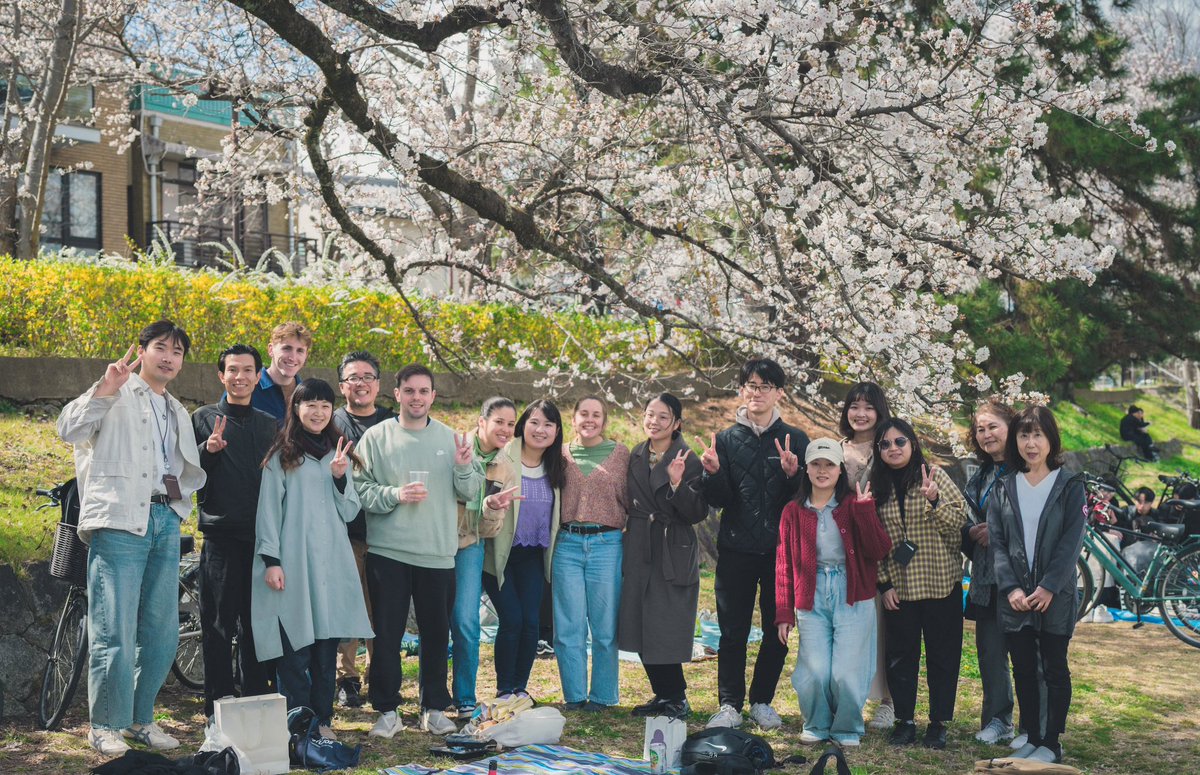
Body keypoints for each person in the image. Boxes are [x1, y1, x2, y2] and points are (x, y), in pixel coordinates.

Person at [57, 321, 206, 755]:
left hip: (164, 521)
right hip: (120, 521)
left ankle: (141, 720)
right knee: (114, 627)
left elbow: (179, 468)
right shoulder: (115, 390)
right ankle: (105, 723)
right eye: (160, 347)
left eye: (177, 352)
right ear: (141, 351)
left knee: (162, 632)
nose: (168, 357)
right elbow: (68, 429)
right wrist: (103, 388)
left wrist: (181, 505)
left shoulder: (175, 409)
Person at [353, 364, 482, 737]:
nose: (416, 398)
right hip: (388, 552)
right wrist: (395, 495)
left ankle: (434, 708)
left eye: (424, 391)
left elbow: (471, 491)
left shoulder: (451, 438)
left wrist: (461, 467)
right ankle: (387, 710)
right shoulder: (376, 438)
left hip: (437, 553)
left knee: (436, 634)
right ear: (396, 394)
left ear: (433, 397)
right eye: (409, 391)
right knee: (387, 635)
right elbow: (360, 490)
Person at [252, 379, 373, 741]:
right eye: (310, 405)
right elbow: (268, 511)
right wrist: (271, 560)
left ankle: (322, 720)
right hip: (292, 563)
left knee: (324, 651)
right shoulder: (282, 456)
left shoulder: (339, 455)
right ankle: (297, 724)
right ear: (297, 409)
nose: (318, 412)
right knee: (294, 651)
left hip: (331, 565)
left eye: (325, 405)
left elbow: (351, 510)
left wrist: (339, 478)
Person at [698, 358, 810, 730]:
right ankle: (729, 704)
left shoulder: (796, 439)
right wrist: (712, 474)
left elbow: (807, 499)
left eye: (765, 386)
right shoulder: (726, 440)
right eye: (750, 385)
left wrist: (795, 476)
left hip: (781, 552)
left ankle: (762, 700)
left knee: (778, 628)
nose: (756, 392)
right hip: (735, 549)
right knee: (733, 631)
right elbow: (721, 499)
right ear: (742, 390)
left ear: (779, 392)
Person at [775, 439, 892, 747]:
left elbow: (879, 550)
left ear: (841, 470)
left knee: (846, 669)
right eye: (816, 464)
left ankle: (847, 727)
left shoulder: (855, 505)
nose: (822, 471)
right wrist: (784, 613)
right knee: (814, 668)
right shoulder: (792, 511)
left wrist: (866, 512)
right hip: (810, 594)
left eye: (829, 465)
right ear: (806, 469)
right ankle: (816, 722)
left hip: (852, 593)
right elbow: (784, 564)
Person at [987, 406, 1087, 764]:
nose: (1031, 443)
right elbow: (997, 543)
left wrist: (1048, 586)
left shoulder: (1069, 485)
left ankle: (1051, 742)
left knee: (1055, 668)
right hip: (1015, 597)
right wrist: (1011, 587)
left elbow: (1072, 540)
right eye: (1024, 435)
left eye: (1038, 435)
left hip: (1053, 596)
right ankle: (1030, 734)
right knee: (1024, 668)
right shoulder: (1004, 486)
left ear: (1051, 440)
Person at [192, 344, 278, 721]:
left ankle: (256, 701)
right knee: (217, 625)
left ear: (259, 376)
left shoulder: (269, 423)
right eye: (232, 370)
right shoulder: (203, 417)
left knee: (256, 626)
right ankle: (218, 708)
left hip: (262, 539)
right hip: (221, 537)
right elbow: (187, 473)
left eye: (247, 370)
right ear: (221, 375)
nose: (240, 377)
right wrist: (208, 450)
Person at [870, 418, 967, 750]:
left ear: (912, 443)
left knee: (943, 656)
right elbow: (875, 541)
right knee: (900, 657)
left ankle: (939, 722)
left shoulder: (935, 475)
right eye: (885, 444)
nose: (893, 449)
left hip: (941, 583)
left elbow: (958, 524)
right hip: (900, 587)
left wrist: (935, 501)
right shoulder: (877, 487)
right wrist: (884, 585)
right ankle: (905, 720)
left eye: (900, 442)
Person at [621, 394, 708, 720]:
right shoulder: (637, 453)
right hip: (640, 543)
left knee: (665, 623)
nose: (654, 422)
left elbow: (698, 512)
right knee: (638, 620)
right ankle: (665, 694)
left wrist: (676, 484)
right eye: (649, 415)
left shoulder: (689, 458)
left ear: (677, 423)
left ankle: (676, 696)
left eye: (662, 417)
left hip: (673, 545)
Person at [480, 399, 565, 701]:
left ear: (557, 432)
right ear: (523, 424)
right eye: (534, 422)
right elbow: (487, 501)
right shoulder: (504, 457)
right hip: (498, 556)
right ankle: (504, 689)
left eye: (548, 424)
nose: (540, 430)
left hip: (532, 555)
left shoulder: (556, 465)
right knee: (512, 619)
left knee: (532, 622)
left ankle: (519, 689)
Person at [555, 396, 630, 711]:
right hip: (567, 544)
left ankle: (602, 696)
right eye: (583, 413)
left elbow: (630, 499)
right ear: (573, 419)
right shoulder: (559, 454)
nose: (589, 419)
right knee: (568, 625)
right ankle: (574, 695)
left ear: (604, 420)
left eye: (596, 414)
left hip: (606, 544)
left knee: (604, 626)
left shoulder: (620, 454)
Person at [330, 351, 395, 708]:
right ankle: (347, 678)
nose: (361, 383)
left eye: (368, 377)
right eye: (353, 377)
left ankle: (380, 675)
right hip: (345, 530)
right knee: (349, 605)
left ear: (379, 385)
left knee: (383, 609)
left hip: (386, 530)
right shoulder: (332, 422)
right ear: (342, 386)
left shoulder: (391, 422)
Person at [451, 396, 517, 715]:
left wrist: (490, 510)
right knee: (433, 622)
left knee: (466, 620)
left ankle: (464, 697)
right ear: (481, 422)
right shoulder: (453, 447)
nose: (505, 429)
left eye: (510, 424)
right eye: (498, 422)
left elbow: (489, 530)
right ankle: (430, 696)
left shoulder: (506, 467)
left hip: (470, 544)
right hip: (432, 543)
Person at [961, 399, 1021, 745]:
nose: (986, 434)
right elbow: (969, 523)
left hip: (1020, 576)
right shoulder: (980, 475)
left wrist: (994, 530)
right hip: (985, 577)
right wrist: (971, 532)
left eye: (993, 426)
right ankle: (998, 719)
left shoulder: (1028, 469)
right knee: (991, 652)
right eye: (980, 429)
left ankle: (1033, 727)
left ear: (1010, 426)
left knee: (1028, 653)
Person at [836, 381, 895, 730]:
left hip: (881, 547)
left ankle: (888, 702)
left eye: (868, 407)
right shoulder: (835, 448)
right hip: (842, 552)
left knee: (884, 629)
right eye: (854, 406)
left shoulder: (890, 446)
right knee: (848, 631)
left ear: (879, 411)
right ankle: (850, 699)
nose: (860, 414)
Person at [252, 322, 312, 423]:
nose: (293, 357)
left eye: (300, 351)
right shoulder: (248, 388)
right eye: (287, 348)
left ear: (306, 355)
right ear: (271, 350)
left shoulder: (309, 394)